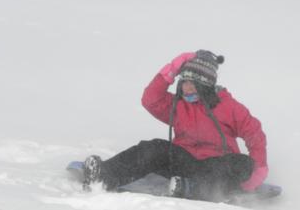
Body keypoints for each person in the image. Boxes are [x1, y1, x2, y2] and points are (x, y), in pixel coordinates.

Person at [82, 50, 268, 201]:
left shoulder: (229, 107)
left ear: (205, 85)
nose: (186, 87)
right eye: (184, 82)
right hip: (183, 161)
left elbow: (255, 134)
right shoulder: (179, 105)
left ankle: (191, 189)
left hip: (215, 168)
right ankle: (104, 176)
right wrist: (172, 69)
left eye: (192, 83)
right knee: (154, 147)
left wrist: (258, 170)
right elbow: (150, 100)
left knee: (242, 163)